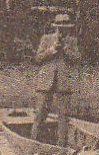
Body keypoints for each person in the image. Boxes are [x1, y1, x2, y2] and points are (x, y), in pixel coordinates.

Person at [32, 11, 81, 146]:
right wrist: (51, 50)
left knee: (63, 116)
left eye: (65, 27)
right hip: (45, 82)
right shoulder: (46, 39)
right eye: (59, 27)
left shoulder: (72, 41)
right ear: (55, 26)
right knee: (40, 113)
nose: (62, 30)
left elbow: (77, 59)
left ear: (68, 28)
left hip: (63, 82)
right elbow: (38, 58)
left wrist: (65, 50)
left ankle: (61, 147)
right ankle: (33, 143)